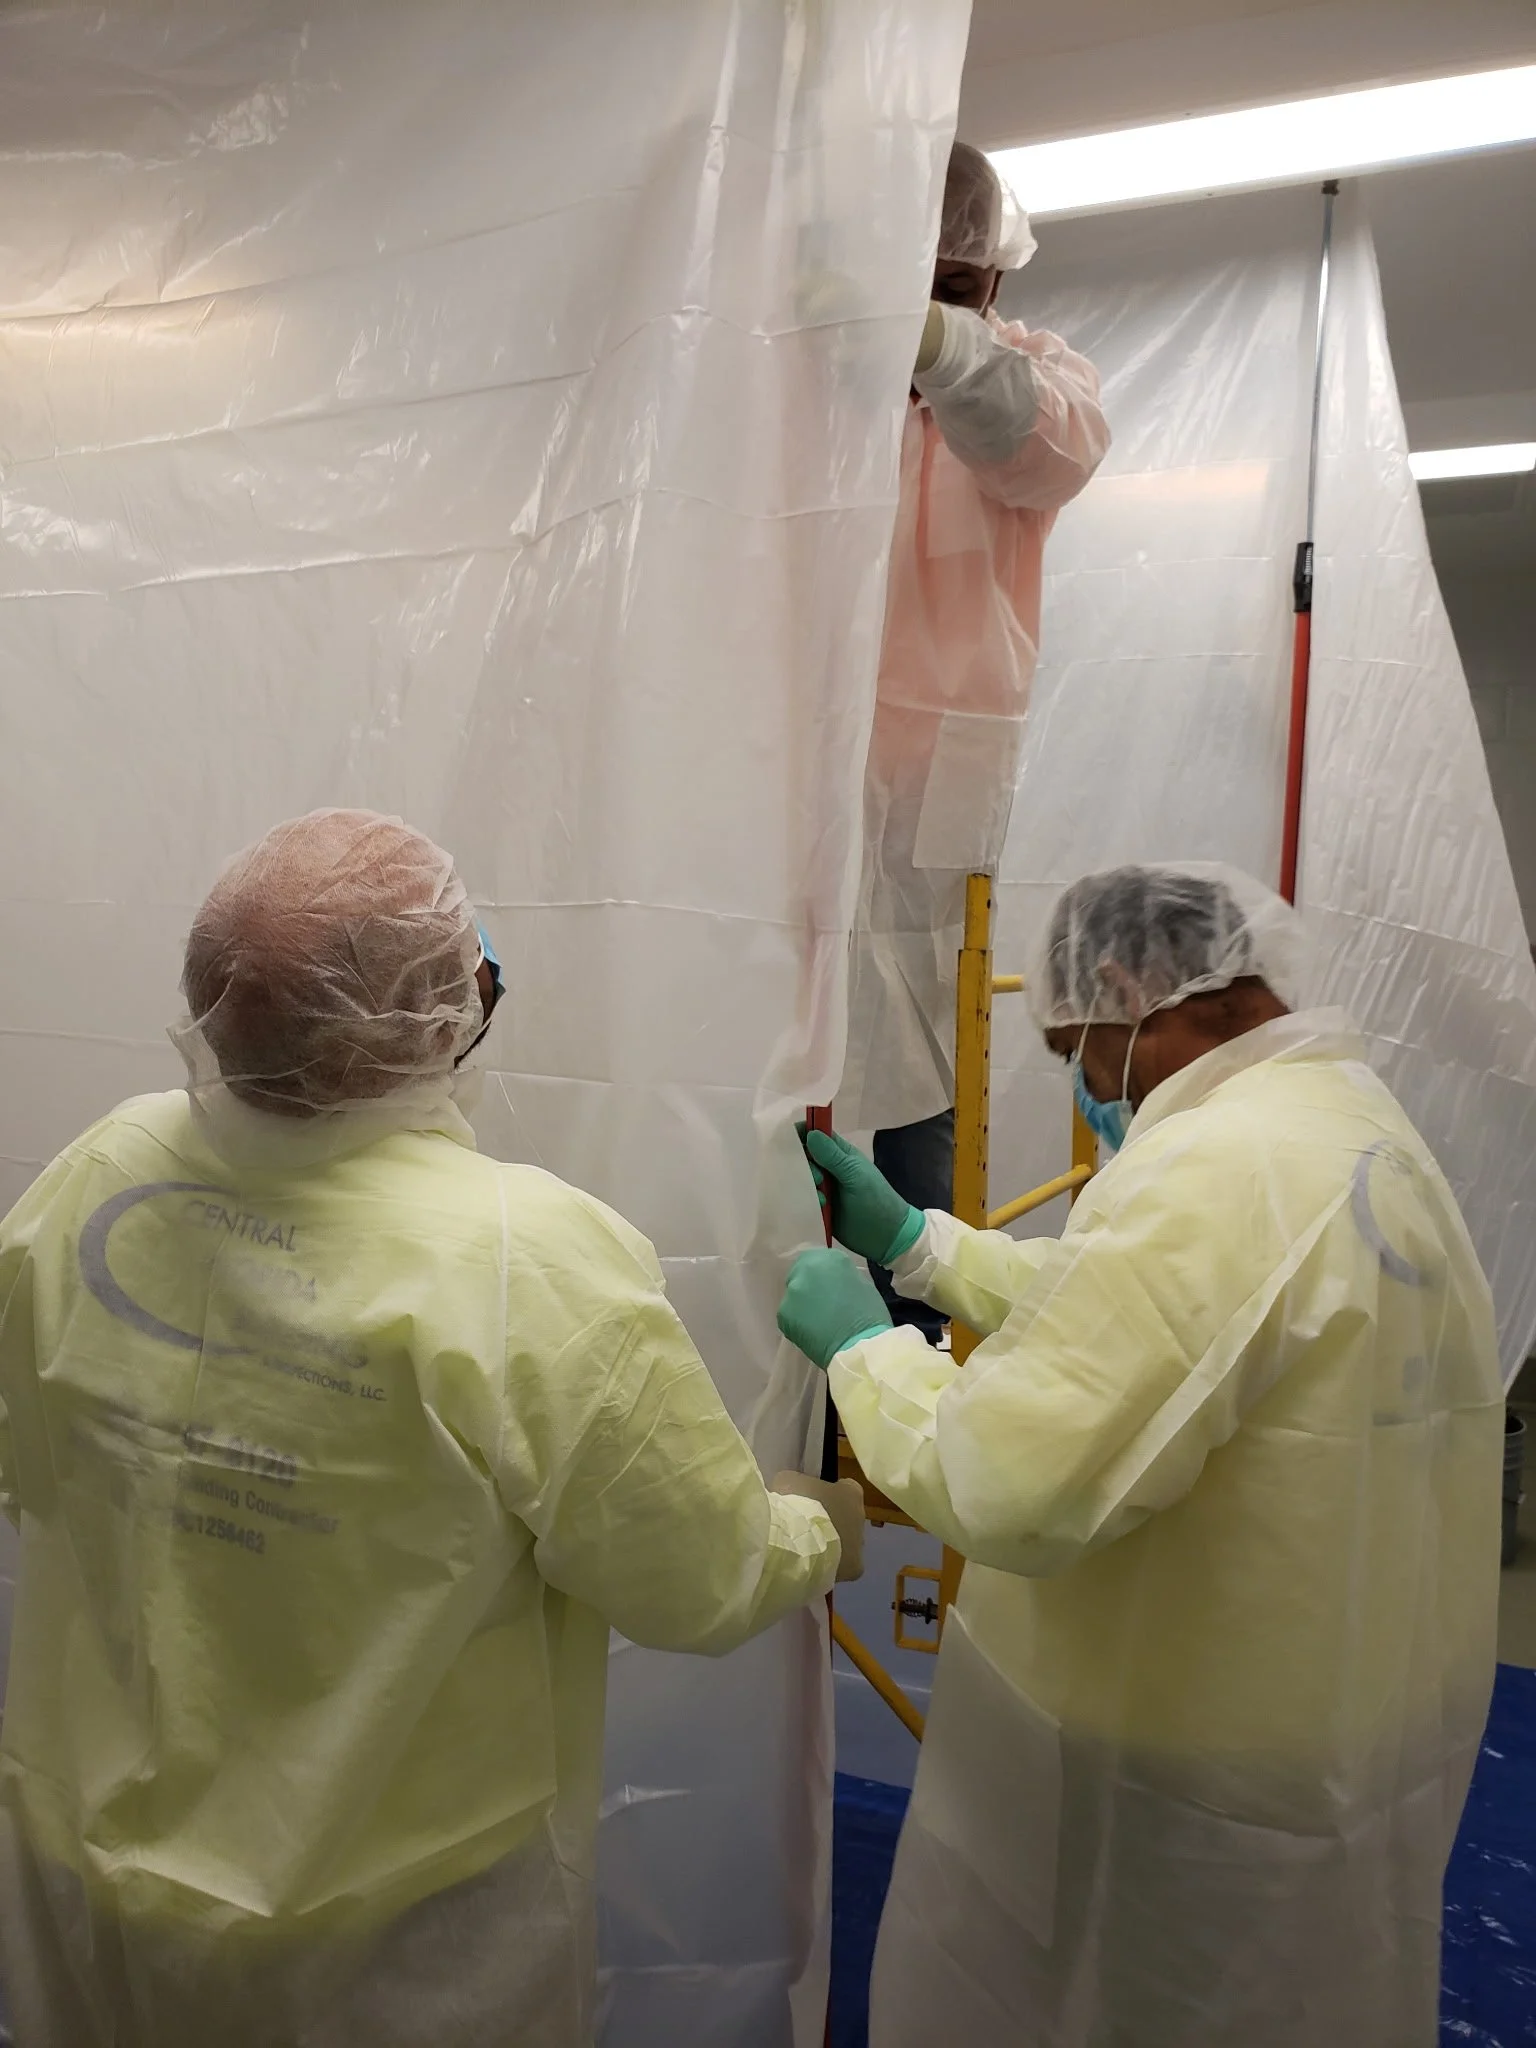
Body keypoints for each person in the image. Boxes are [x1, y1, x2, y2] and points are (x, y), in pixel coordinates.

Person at [0, 808, 864, 2048]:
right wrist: (821, 1524)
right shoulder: (523, 1256)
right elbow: (698, 1576)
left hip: (85, 1877)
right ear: (446, 1013)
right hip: (384, 1947)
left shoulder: (104, 1165)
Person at [783, 863, 1504, 2048]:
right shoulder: (1347, 1127)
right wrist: (924, 1249)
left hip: (1185, 1793)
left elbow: (1006, 1483)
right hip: (1332, 1732)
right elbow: (1145, 1323)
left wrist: (866, 1352)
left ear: (1128, 988)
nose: (1084, 1085)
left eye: (1077, 1046)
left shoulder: (1220, 1172)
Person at [842, 142, 1110, 1342]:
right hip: (792, 766)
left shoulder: (1030, 375)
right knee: (779, 1040)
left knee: (919, 1078)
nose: (951, 290)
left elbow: (1037, 440)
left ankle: (915, 1349)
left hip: (930, 793)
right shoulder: (823, 387)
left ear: (991, 278)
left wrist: (937, 341)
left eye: (959, 275)